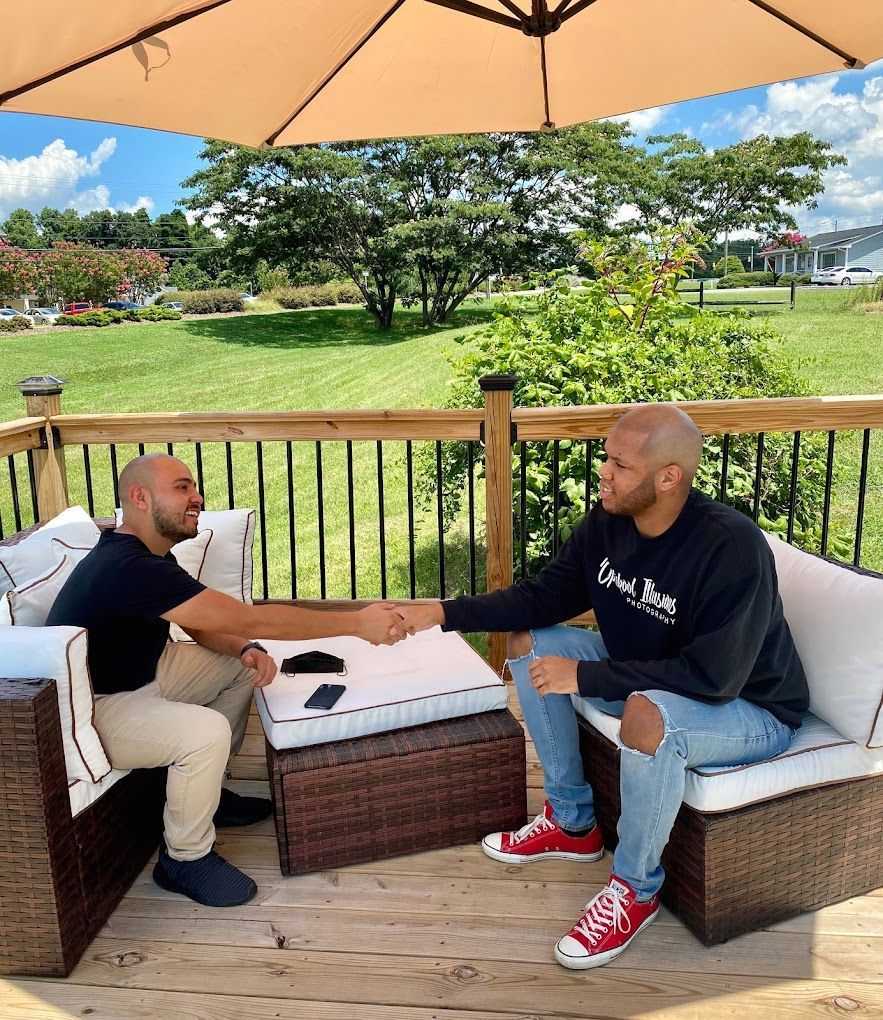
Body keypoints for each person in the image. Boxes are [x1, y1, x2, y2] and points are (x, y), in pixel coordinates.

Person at [396, 404, 808, 969]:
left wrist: (586, 676)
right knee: (530, 641)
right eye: (606, 458)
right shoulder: (609, 522)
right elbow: (543, 598)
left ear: (669, 477)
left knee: (647, 714)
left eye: (620, 465)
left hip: (750, 707)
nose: (603, 473)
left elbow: (713, 678)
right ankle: (571, 822)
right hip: (654, 672)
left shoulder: (729, 547)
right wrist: (441, 613)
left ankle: (634, 890)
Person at [48, 453, 406, 908]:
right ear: (139, 497)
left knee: (241, 666)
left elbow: (199, 621)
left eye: (194, 487)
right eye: (182, 487)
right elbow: (249, 617)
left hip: (142, 674)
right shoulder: (129, 567)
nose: (197, 497)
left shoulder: (146, 555)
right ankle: (183, 859)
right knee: (206, 733)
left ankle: (208, 794)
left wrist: (244, 648)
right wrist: (356, 623)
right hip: (92, 709)